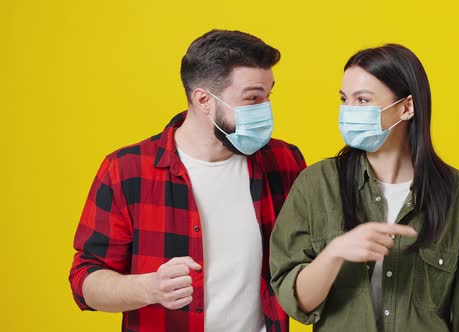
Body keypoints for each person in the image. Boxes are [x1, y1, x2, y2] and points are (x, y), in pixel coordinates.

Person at [69, 29, 306, 332]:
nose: (265, 109)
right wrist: (148, 288)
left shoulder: (284, 162)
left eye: (268, 95)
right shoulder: (126, 170)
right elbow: (85, 278)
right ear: (204, 99)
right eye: (252, 98)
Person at [270, 44, 459, 331]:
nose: (349, 111)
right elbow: (297, 303)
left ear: (406, 107)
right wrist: (336, 251)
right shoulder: (316, 183)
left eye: (363, 100)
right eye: (345, 99)